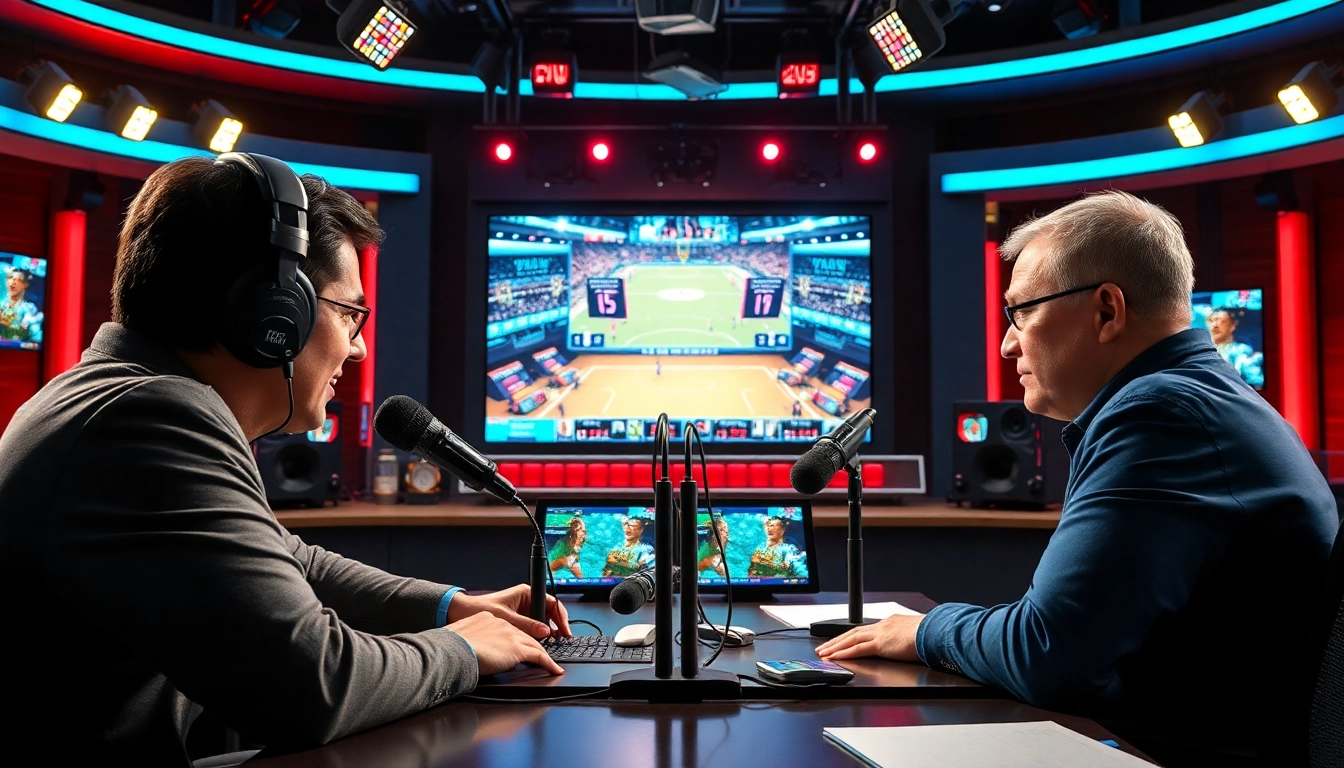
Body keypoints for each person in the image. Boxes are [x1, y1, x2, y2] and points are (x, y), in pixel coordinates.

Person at [0, 155, 570, 765]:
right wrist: (464, 648)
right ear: (274, 314)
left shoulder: (120, 396)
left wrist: (451, 607)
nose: (359, 348)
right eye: (350, 314)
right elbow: (312, 686)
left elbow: (289, 559)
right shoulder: (151, 419)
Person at [815, 190, 1337, 767]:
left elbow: (1047, 654)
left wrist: (923, 631)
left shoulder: (1160, 415)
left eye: (1021, 311)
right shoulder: (1200, 399)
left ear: (1107, 311)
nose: (1007, 343)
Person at [1205, 307, 1264, 387]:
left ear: (1233, 325)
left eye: (1222, 321)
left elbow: (1256, 381)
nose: (1215, 325)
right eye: (1211, 321)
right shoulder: (1203, 351)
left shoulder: (1241, 351)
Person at [603, 513, 655, 577]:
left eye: (632, 526)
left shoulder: (646, 549)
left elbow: (643, 572)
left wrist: (619, 563)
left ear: (641, 530)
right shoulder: (616, 546)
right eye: (625, 525)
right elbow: (606, 571)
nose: (627, 528)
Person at [0, 265, 43, 342]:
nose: (13, 283)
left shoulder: (28, 308)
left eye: (19, 280)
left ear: (25, 285)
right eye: (11, 278)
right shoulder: (1, 303)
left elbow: (36, 336)